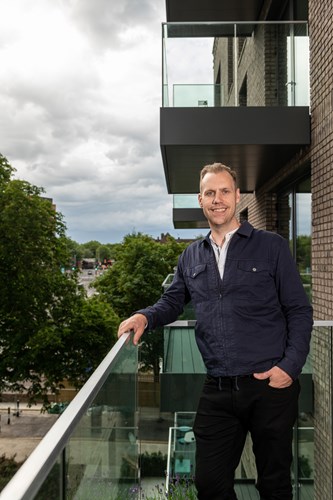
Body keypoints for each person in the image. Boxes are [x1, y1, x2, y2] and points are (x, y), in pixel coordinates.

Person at [118, 163, 313, 500]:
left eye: (225, 191)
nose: (218, 199)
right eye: (210, 193)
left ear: (237, 196)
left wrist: (289, 367)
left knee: (274, 484)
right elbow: (172, 300)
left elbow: (299, 310)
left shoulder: (271, 247)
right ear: (200, 200)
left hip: (270, 385)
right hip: (219, 388)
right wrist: (144, 317)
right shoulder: (191, 255)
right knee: (210, 485)